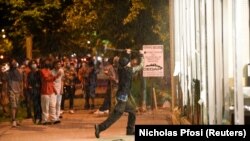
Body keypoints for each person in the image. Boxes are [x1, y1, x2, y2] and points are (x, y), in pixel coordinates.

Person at [94, 49, 144, 138]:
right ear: (127, 63)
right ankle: (100, 127)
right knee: (116, 115)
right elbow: (141, 66)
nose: (131, 62)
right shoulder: (129, 70)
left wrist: (127, 53)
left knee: (132, 111)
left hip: (121, 95)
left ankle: (130, 130)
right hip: (123, 97)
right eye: (129, 61)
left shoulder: (121, 68)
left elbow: (122, 60)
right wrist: (141, 55)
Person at [7, 59, 23, 127]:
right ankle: (13, 120)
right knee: (13, 106)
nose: (14, 63)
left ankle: (15, 119)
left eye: (15, 62)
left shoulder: (19, 71)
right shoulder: (9, 73)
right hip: (12, 90)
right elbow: (7, 83)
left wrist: (21, 91)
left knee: (17, 106)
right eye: (13, 62)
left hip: (18, 91)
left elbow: (21, 82)